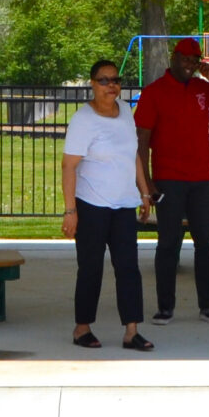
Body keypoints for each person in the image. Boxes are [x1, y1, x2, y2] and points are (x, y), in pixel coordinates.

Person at [134, 35, 209, 322]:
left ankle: (208, 305)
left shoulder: (202, 88)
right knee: (169, 243)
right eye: (185, 59)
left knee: (205, 242)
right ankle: (165, 306)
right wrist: (146, 181)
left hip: (202, 179)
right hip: (169, 179)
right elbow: (141, 138)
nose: (189, 65)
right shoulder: (154, 92)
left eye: (194, 61)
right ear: (173, 58)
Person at [60, 59, 152, 351]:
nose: (111, 86)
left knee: (128, 268)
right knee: (90, 268)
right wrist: (70, 210)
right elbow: (68, 166)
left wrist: (144, 192)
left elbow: (134, 154)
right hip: (91, 205)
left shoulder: (125, 111)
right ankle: (82, 327)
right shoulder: (83, 120)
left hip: (124, 204)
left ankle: (132, 331)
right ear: (92, 84)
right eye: (104, 80)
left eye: (115, 80)